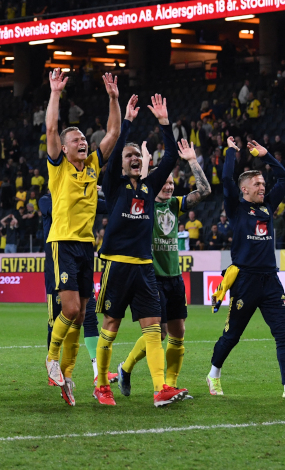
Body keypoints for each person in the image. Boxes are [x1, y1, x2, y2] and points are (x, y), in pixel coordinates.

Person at [92, 94, 188, 407]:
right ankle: (102, 384)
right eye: (129, 155)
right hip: (117, 265)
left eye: (138, 155)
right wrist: (128, 120)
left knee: (153, 328)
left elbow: (172, 157)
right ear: (120, 162)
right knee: (111, 325)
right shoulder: (114, 185)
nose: (134, 158)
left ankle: (161, 388)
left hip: (145, 267)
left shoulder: (148, 186)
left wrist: (164, 122)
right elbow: (116, 147)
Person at [207, 138, 285, 400]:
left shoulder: (267, 206)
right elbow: (226, 180)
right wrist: (231, 152)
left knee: (283, 332)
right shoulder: (235, 207)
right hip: (245, 280)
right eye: (257, 184)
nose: (262, 187)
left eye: (263, 184)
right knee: (232, 335)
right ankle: (214, 374)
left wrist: (266, 156)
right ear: (244, 190)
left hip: (270, 280)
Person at [44, 70, 121, 406]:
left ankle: (68, 375)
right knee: (71, 307)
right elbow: (50, 128)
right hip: (61, 242)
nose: (82, 142)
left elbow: (115, 131)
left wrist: (114, 98)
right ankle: (51, 360)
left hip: (85, 247)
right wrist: (55, 92)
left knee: (82, 312)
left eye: (83, 140)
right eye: (76, 140)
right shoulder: (58, 167)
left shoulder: (92, 166)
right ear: (63, 147)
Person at [118, 140, 212, 397]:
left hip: (174, 277)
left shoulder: (175, 205)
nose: (169, 186)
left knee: (178, 331)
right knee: (157, 333)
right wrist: (146, 162)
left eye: (171, 183)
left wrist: (192, 160)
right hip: (151, 278)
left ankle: (170, 382)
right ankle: (126, 368)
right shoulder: (144, 204)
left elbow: (204, 191)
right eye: (165, 182)